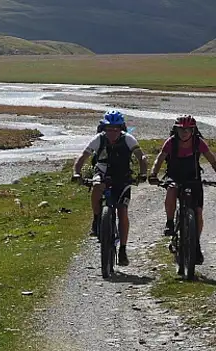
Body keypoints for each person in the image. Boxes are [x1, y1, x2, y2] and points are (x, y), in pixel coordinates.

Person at [71, 109, 147, 266]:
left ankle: (123, 249)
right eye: (109, 128)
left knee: (123, 211)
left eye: (116, 128)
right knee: (96, 185)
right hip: (102, 173)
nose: (112, 132)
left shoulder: (128, 139)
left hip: (123, 176)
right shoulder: (99, 139)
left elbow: (141, 157)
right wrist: (76, 173)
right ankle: (97, 218)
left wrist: (143, 173)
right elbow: (82, 157)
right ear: (103, 128)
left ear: (121, 128)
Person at [148, 114, 216, 263]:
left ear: (193, 130)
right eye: (181, 129)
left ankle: (195, 245)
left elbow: (212, 160)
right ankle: (170, 223)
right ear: (176, 130)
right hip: (175, 177)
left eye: (187, 130)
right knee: (171, 190)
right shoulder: (171, 142)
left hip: (194, 178)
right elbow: (160, 158)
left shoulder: (199, 143)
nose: (184, 132)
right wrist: (153, 173)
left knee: (198, 213)